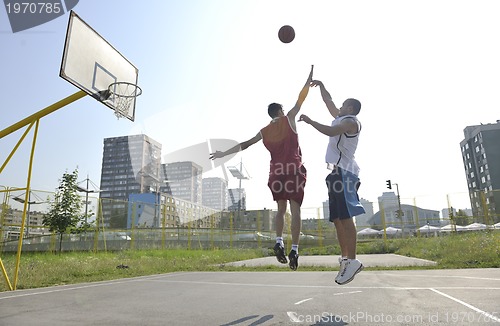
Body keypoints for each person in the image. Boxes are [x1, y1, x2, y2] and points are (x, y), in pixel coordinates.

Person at [209, 65, 313, 271]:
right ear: (280, 111)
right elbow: (300, 99)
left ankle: (278, 241)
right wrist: (308, 80)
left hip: (276, 173)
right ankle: (294, 249)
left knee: (280, 210)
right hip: (293, 169)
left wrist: (222, 154)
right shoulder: (289, 118)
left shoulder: (264, 131)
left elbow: (245, 144)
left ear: (269, 114)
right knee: (295, 209)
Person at [298, 79, 365, 285]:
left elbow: (329, 131)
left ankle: (353, 260)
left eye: (343, 105)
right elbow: (328, 101)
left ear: (350, 108)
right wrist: (321, 85)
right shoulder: (341, 117)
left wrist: (310, 121)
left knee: (346, 217)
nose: (339, 107)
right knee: (336, 218)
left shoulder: (350, 122)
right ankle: (345, 259)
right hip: (335, 172)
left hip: (346, 172)